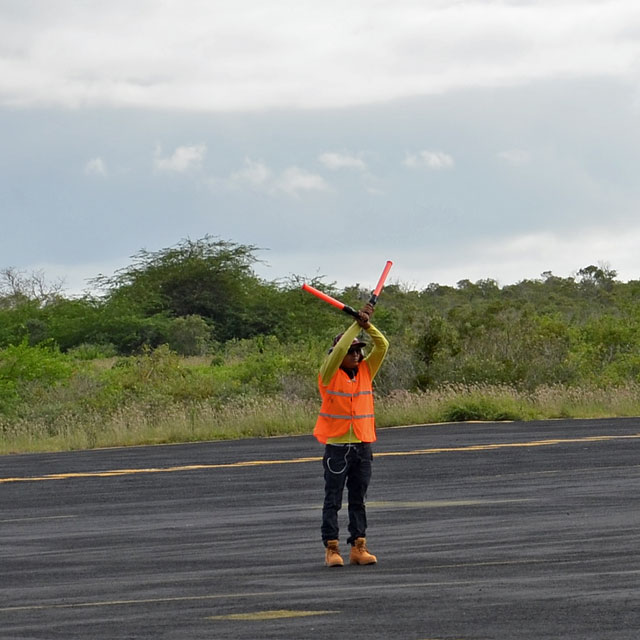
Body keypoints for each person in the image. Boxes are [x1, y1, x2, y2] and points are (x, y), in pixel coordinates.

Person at [313, 302, 389, 567]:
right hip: (337, 448)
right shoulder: (328, 374)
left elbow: (383, 346)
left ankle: (359, 546)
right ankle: (332, 549)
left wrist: (367, 325)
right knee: (332, 500)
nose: (356, 355)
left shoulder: (366, 371)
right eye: (352, 351)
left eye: (359, 351)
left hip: (362, 446)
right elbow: (340, 350)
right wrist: (356, 322)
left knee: (359, 500)